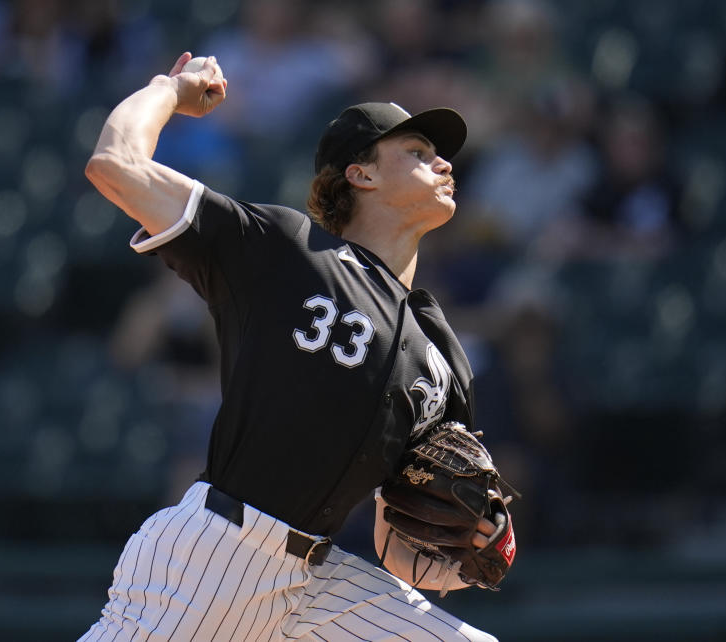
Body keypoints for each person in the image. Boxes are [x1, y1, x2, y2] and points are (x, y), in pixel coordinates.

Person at [81, 51, 504, 641]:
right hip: (214, 561)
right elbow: (116, 164)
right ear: (361, 174)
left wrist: (465, 549)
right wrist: (168, 90)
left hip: (317, 583)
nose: (443, 162)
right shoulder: (287, 252)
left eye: (441, 154)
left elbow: (398, 540)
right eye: (418, 152)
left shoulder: (439, 353)